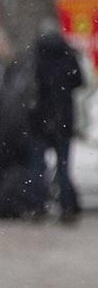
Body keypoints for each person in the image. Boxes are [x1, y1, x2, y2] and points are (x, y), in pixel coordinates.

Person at [0, 33, 42, 220]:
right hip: (3, 128)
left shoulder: (15, 71)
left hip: (11, 128)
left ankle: (1, 208)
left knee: (7, 171)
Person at [33, 21, 85, 223]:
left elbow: (32, 83)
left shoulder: (37, 53)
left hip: (40, 118)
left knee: (38, 167)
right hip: (63, 118)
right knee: (63, 167)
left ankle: (38, 206)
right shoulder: (67, 54)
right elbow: (79, 81)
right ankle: (66, 207)